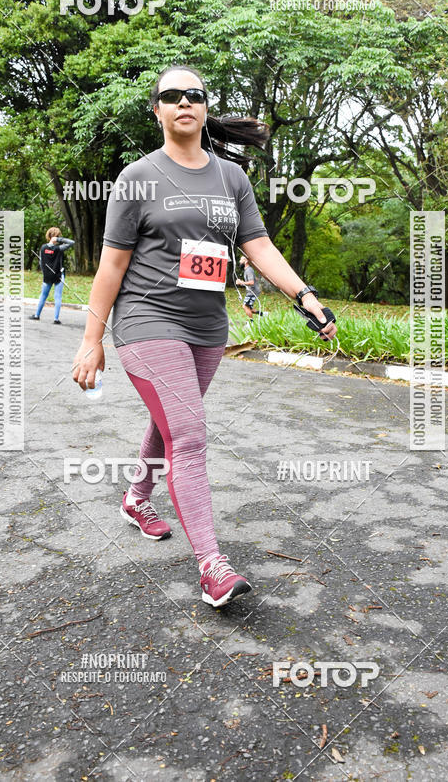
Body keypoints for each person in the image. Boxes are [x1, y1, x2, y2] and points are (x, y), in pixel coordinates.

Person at [72, 64, 336, 608]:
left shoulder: (231, 178)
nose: (184, 102)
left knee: (171, 422)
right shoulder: (137, 177)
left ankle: (136, 497)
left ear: (206, 106)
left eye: (194, 94)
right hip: (147, 320)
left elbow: (258, 246)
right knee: (189, 434)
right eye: (172, 96)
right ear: (157, 111)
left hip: (208, 327)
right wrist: (91, 339)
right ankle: (212, 566)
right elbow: (111, 266)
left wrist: (305, 296)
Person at [29, 227, 74, 324]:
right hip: (58, 276)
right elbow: (71, 242)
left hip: (47, 276)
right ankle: (56, 319)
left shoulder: (43, 248)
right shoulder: (59, 248)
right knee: (58, 297)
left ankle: (37, 315)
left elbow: (41, 263)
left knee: (43, 295)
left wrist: (45, 273)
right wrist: (59, 239)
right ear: (57, 236)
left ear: (48, 236)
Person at [236, 254, 262, 319]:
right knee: (249, 308)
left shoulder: (249, 270)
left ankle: (251, 323)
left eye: (241, 260)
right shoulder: (247, 270)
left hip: (253, 292)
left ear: (246, 261)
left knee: (245, 306)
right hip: (252, 291)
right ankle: (264, 314)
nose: (240, 261)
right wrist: (242, 282)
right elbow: (254, 279)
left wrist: (241, 282)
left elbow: (252, 282)